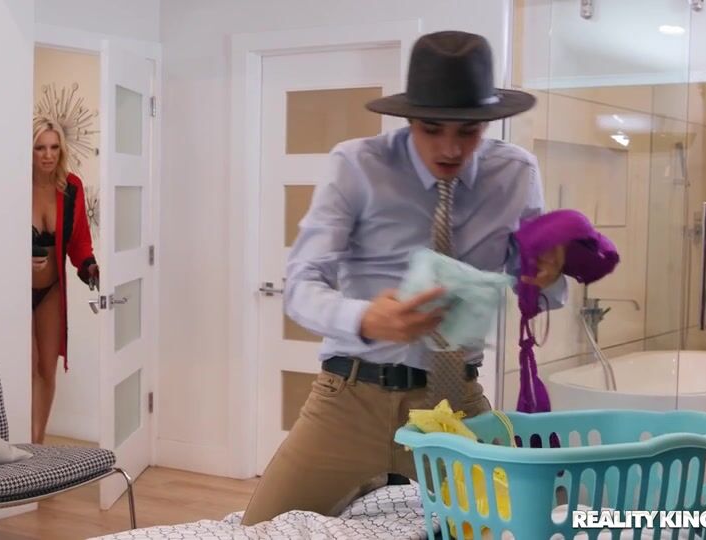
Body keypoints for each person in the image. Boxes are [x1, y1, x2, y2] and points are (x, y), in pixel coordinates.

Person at [241, 30, 569, 525]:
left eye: (468, 131)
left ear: (487, 123)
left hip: (455, 402)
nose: (451, 148)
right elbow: (301, 287)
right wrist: (365, 319)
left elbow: (533, 288)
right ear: (409, 118)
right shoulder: (357, 165)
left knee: (533, 522)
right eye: (432, 128)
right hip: (348, 402)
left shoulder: (516, 173)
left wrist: (543, 277)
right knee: (260, 532)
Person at [31, 117, 99, 444]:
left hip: (52, 289)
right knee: (27, 367)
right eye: (40, 148)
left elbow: (79, 240)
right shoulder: (16, 185)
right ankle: (23, 445)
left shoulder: (71, 187)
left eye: (54, 147)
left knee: (47, 369)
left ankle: (37, 445)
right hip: (16, 292)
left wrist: (89, 266)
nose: (48, 155)